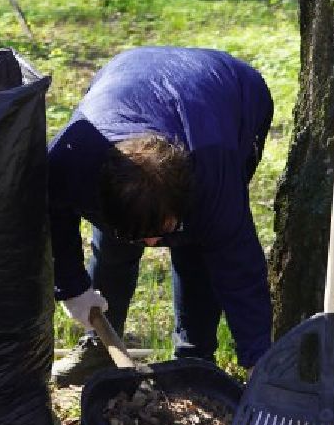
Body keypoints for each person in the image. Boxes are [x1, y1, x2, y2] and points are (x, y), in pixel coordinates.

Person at [48, 46, 275, 386]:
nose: (155, 244)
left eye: (161, 231)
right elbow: (55, 220)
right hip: (127, 75)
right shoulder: (69, 160)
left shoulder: (213, 175)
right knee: (114, 247)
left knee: (197, 247)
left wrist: (259, 363)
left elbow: (239, 271)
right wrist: (72, 287)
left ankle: (194, 358)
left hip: (235, 93)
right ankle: (98, 347)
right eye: (144, 236)